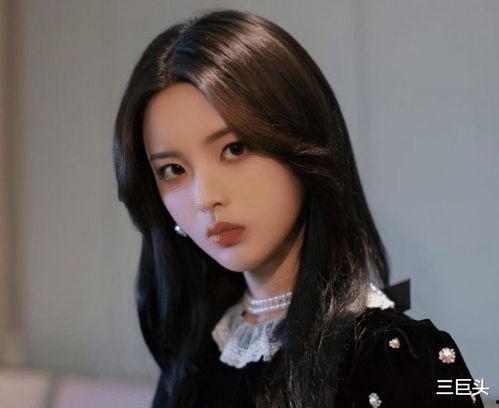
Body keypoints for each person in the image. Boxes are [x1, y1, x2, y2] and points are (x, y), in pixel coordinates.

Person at [112, 9, 484, 408]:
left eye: (235, 148)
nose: (205, 198)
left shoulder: (400, 359)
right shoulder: (194, 358)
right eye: (173, 170)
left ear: (301, 144)